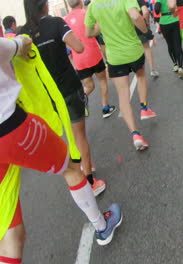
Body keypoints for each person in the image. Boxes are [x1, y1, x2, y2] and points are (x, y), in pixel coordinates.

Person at [0, 35, 122, 264]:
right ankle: (102, 226)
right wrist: (18, 44)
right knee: (72, 169)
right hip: (9, 125)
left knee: (9, 228)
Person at [21, 0, 107, 195]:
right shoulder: (56, 23)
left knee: (65, 139)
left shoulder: (22, 34)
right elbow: (78, 47)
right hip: (68, 88)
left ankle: (84, 169)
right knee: (79, 137)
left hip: (47, 97)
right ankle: (90, 182)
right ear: (44, 5)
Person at [85, 0, 158, 151]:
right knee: (141, 76)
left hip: (115, 58)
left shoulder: (93, 5)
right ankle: (144, 108)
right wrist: (146, 32)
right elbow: (136, 17)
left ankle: (136, 134)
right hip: (133, 51)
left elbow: (89, 32)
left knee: (123, 95)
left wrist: (103, 28)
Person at [65, 0, 117, 119]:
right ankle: (105, 108)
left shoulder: (65, 20)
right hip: (93, 55)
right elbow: (98, 30)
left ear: (68, 4)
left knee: (89, 86)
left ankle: (79, 104)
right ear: (80, 1)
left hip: (79, 59)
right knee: (103, 80)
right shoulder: (87, 13)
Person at [155, 0, 183, 79]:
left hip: (164, 23)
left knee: (170, 44)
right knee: (178, 44)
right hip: (175, 20)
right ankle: (181, 67)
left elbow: (157, 10)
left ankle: (175, 64)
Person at [136, 0, 160, 79]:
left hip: (128, 29)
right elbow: (145, 12)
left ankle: (138, 71)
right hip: (140, 26)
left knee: (135, 50)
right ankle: (152, 70)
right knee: (146, 48)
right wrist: (146, 23)